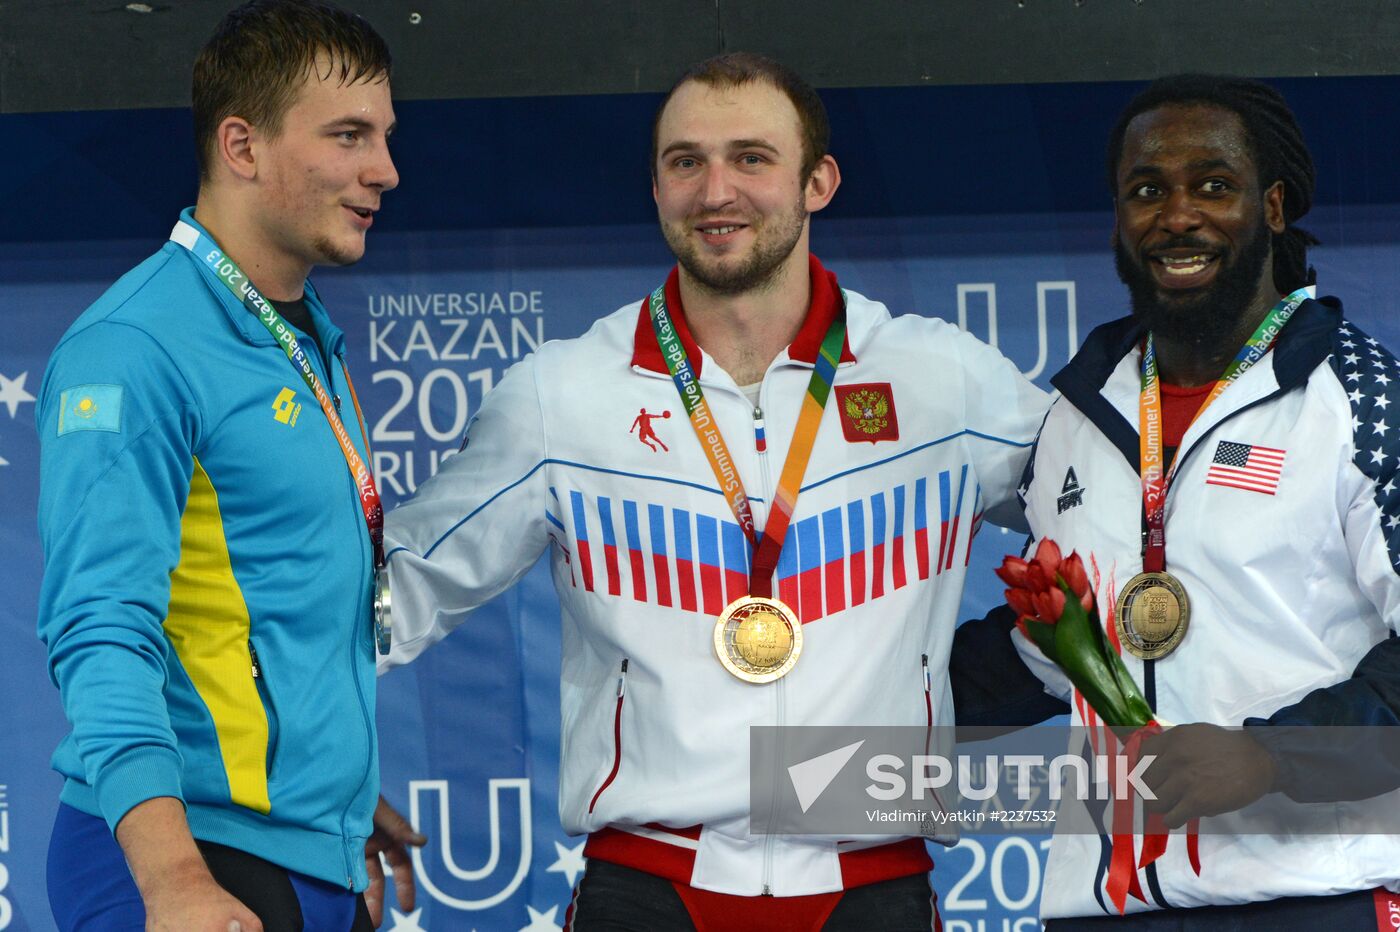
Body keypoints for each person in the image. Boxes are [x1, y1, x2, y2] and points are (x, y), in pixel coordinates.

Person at [378, 52, 1048, 929]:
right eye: (685, 162)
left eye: (752, 158)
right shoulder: (566, 395)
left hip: (873, 883)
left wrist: (1010, 669)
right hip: (649, 886)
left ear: (819, 182)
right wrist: (304, 779)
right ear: (655, 187)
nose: (715, 190)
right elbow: (395, 597)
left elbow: (1107, 521)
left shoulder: (939, 381)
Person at [36, 2, 423, 929]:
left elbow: (263, 595)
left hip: (292, 849)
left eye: (384, 136)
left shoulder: (293, 331)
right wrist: (170, 877)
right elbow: (99, 629)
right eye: (348, 136)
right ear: (242, 147)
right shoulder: (134, 348)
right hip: (186, 866)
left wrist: (323, 793)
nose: (386, 170)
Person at [981, 74, 1400, 928]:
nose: (1177, 216)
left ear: (1273, 208)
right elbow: (1059, 655)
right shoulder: (1076, 414)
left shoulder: (1361, 398)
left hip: (1311, 897)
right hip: (1101, 904)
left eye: (1213, 185)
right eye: (1147, 191)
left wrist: (1270, 757)